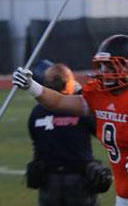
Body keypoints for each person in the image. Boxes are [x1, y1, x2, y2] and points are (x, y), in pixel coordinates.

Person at [13, 34, 128, 206]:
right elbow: (59, 102)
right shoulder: (100, 96)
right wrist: (32, 86)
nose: (104, 71)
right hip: (123, 198)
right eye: (103, 66)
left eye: (111, 66)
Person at [26, 60, 112, 206]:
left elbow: (34, 138)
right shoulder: (78, 109)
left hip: (48, 181)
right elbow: (101, 130)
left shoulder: (37, 111)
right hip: (79, 180)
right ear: (67, 84)